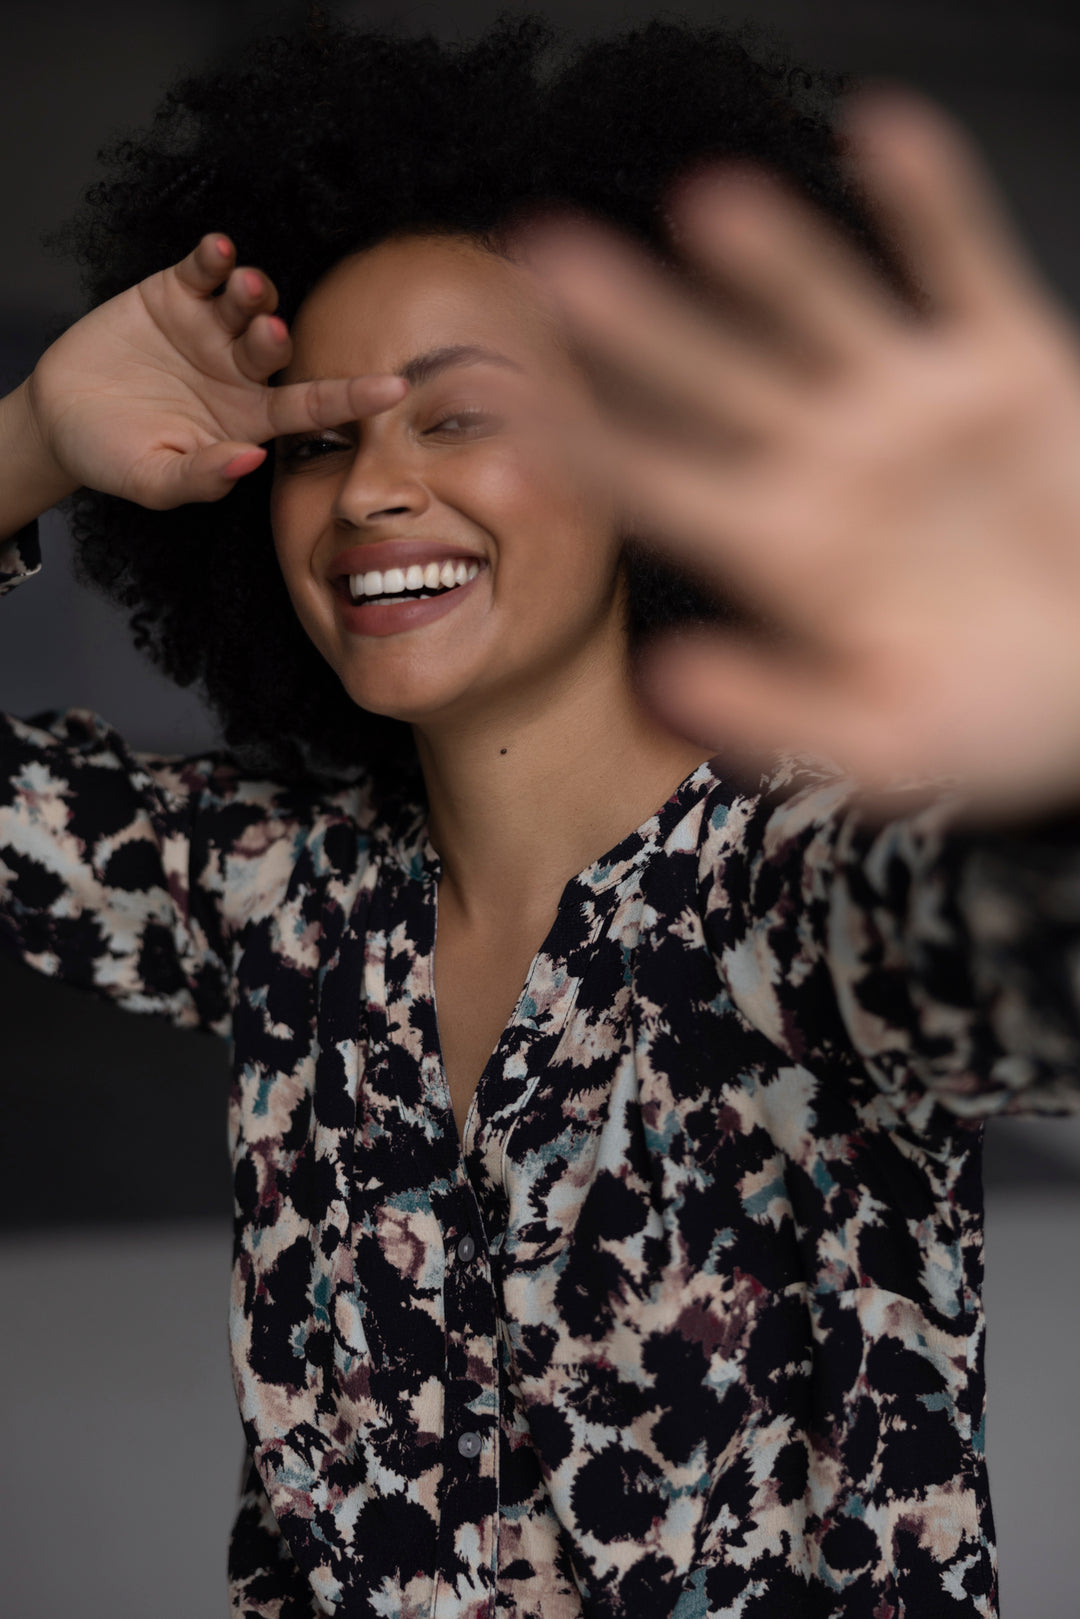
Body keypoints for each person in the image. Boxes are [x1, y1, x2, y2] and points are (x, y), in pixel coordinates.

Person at [2, 12, 1079, 1618]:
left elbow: (1030, 963)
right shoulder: (274, 883)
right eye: (319, 438)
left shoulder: (805, 886)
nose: (369, 491)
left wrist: (1048, 751)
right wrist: (23, 439)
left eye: (458, 415)